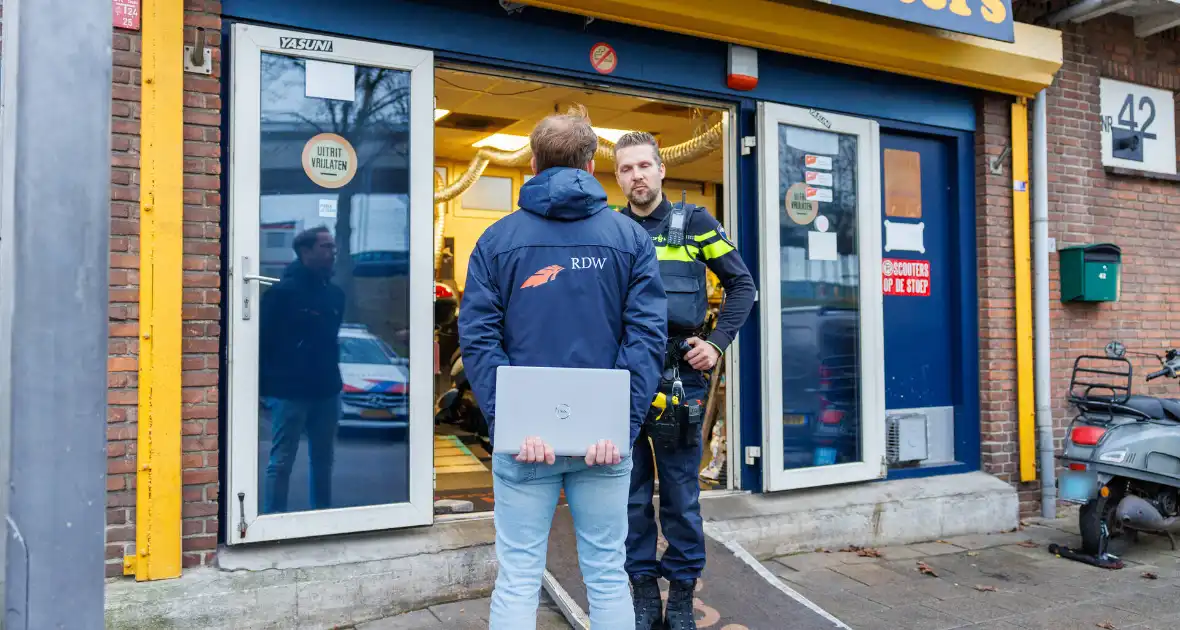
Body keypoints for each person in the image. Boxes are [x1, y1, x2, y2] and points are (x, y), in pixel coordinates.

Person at [458, 105, 667, 630]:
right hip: (603, 441)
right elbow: (645, 339)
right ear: (592, 166)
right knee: (606, 572)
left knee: (519, 575)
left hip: (525, 442)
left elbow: (478, 340)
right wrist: (619, 425)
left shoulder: (496, 241)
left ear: (532, 165)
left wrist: (510, 421)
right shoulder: (630, 240)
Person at [613, 132, 756, 630]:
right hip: (625, 379)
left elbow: (743, 285)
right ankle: (643, 590)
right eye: (627, 169)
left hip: (680, 379)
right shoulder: (610, 229)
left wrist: (715, 343)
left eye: (644, 166)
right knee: (628, 493)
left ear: (661, 170)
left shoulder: (695, 223)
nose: (637, 176)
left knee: (678, 493)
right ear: (618, 177)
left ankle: (680, 595)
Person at [258, 226, 345, 513]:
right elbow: (263, 342)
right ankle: (273, 519)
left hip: (326, 390)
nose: (332, 252)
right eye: (325, 247)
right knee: (282, 460)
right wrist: (264, 389)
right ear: (305, 251)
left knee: (324, 461)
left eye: (332, 247)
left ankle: (322, 516)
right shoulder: (282, 294)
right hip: (290, 391)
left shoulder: (335, 294)